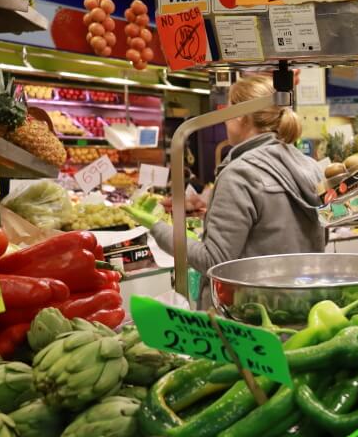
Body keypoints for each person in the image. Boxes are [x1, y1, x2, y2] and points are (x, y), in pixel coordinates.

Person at [126, 75, 325, 308]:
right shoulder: (309, 166)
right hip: (301, 306)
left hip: (250, 316)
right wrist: (207, 203)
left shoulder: (240, 173)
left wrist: (158, 228)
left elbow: (215, 260)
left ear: (242, 116)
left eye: (227, 109)